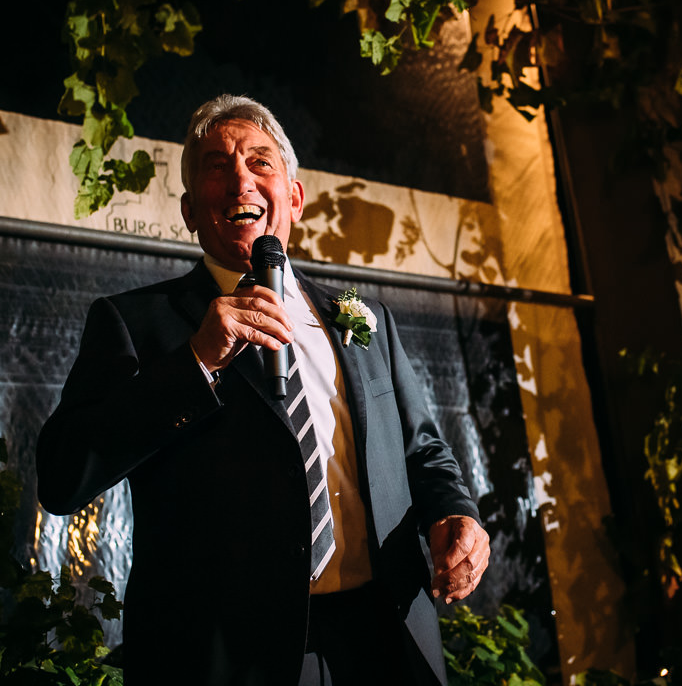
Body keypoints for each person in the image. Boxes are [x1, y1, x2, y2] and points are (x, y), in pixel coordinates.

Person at [37, 94, 490, 685]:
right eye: (216, 167)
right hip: (231, 656)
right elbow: (63, 474)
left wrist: (455, 512)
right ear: (189, 211)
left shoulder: (364, 319)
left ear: (295, 199)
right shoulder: (137, 323)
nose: (239, 181)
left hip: (383, 635)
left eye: (260, 162)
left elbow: (422, 450)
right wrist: (196, 360)